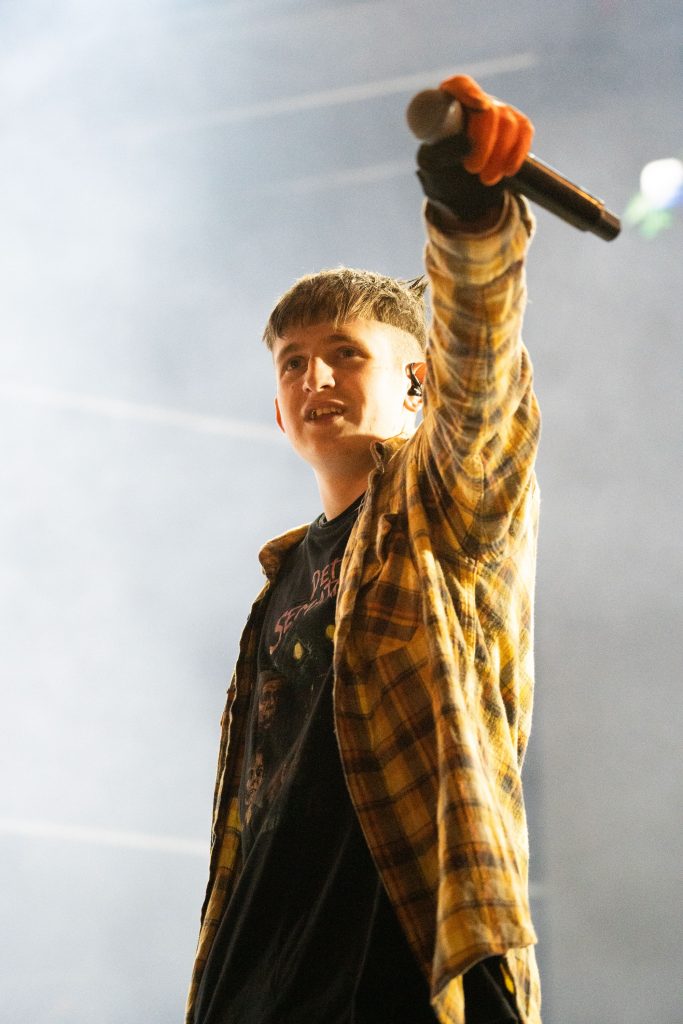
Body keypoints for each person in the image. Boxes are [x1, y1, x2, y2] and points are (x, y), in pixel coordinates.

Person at [186, 74, 542, 1024]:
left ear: (416, 385)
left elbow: (482, 377)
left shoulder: (438, 515)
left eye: (345, 352)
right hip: (257, 970)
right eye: (292, 363)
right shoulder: (279, 583)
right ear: (276, 411)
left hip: (398, 954)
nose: (315, 377)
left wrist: (467, 217)